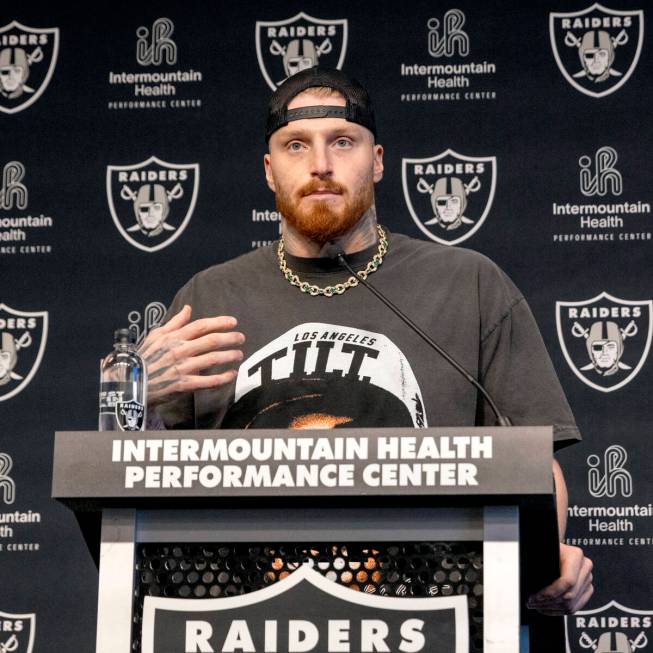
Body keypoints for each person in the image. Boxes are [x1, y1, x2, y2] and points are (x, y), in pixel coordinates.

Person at [140, 67, 593, 617]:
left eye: (343, 142)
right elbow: (147, 477)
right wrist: (136, 395)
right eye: (295, 146)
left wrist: (542, 563)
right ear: (268, 170)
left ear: (377, 161)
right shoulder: (208, 296)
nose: (321, 165)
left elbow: (534, 462)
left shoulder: (468, 283)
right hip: (249, 621)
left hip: (432, 617)